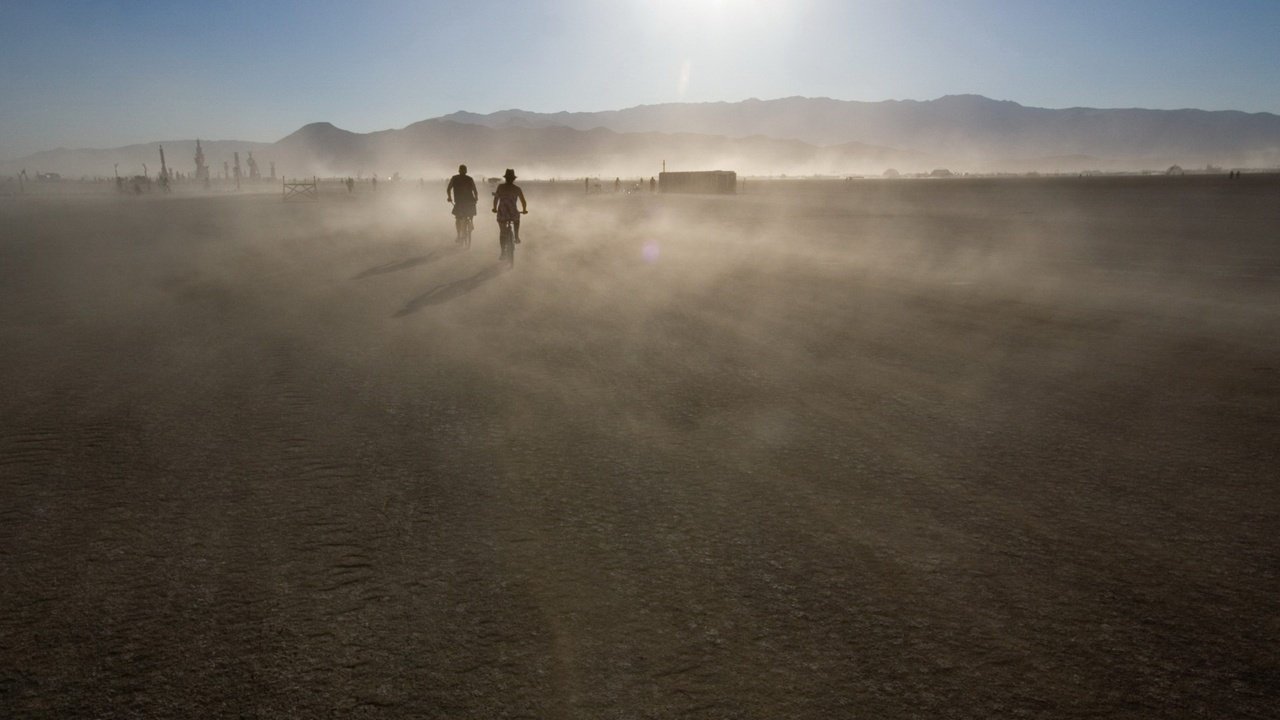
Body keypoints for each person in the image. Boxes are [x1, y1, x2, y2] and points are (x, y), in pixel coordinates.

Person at [492, 168, 528, 246]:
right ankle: (516, 236)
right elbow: (523, 202)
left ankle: (502, 253)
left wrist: (494, 208)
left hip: (502, 213)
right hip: (513, 213)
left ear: (506, 178)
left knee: (502, 232)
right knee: (517, 221)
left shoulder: (500, 187)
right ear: (513, 179)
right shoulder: (517, 189)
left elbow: (496, 199)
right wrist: (524, 210)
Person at [446, 164, 478, 242]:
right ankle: (471, 222)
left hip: (460, 202)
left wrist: (449, 197)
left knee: (458, 218)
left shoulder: (454, 178)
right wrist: (476, 198)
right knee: (470, 213)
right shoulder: (469, 179)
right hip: (470, 201)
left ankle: (458, 235)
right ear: (466, 171)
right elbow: (475, 190)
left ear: (459, 171)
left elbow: (448, 189)